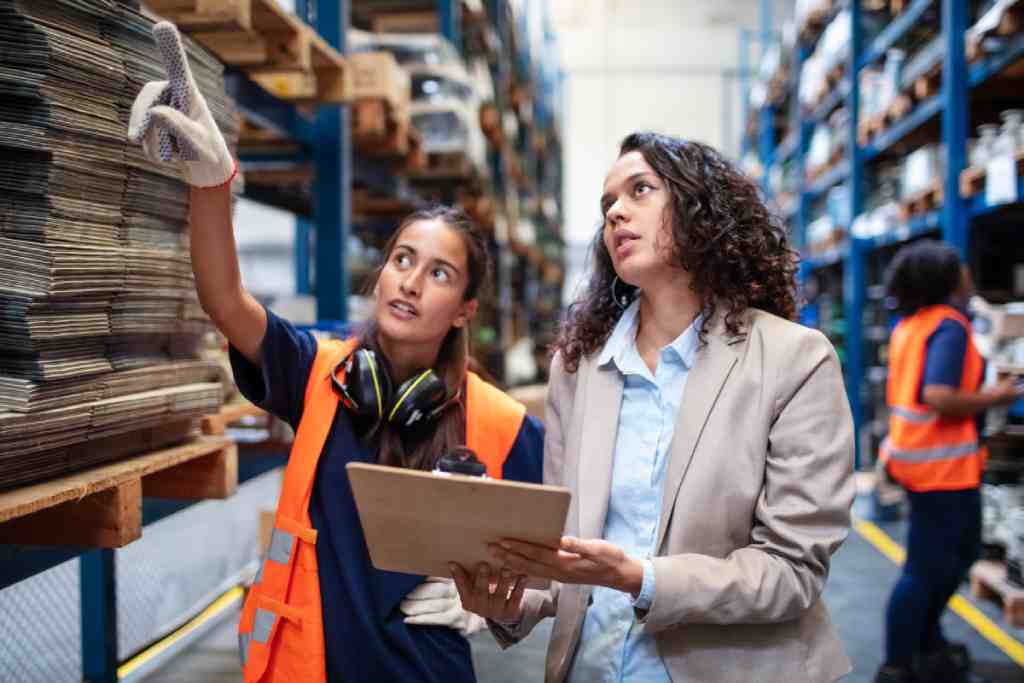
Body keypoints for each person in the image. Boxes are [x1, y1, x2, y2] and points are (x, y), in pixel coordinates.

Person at [127, 22, 543, 683]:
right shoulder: (319, 371)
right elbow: (227, 303)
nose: (409, 279)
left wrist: (510, 608)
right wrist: (212, 184)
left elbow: (561, 560)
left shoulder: (500, 423)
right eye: (402, 259)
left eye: (439, 272)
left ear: (466, 308)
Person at [451, 131, 856, 682]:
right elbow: (560, 567)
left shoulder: (793, 360)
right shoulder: (579, 369)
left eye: (640, 190)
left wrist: (641, 577)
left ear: (698, 209)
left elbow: (792, 571)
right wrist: (507, 608)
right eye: (607, 204)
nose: (616, 212)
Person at [875, 240, 1024, 683]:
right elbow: (937, 396)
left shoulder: (912, 325)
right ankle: (898, 664)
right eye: (959, 266)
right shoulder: (949, 326)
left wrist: (981, 381)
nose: (967, 272)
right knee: (928, 569)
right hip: (943, 471)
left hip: (919, 463)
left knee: (950, 560)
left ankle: (926, 644)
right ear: (944, 278)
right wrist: (995, 396)